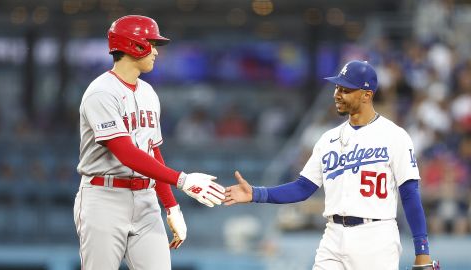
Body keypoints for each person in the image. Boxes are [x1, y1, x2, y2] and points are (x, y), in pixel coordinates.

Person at [225, 60, 440, 270]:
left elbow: (410, 194)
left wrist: (422, 250)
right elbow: (302, 188)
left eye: (346, 89)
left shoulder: (394, 136)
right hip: (333, 234)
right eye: (337, 87)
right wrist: (256, 193)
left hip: (376, 235)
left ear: (367, 95)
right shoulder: (328, 139)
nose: (337, 94)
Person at [74, 15, 225, 270]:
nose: (155, 51)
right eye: (151, 44)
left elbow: (152, 151)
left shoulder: (148, 92)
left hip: (146, 199)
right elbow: (125, 153)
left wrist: (171, 206)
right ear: (135, 45)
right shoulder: (101, 92)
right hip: (104, 197)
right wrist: (183, 180)